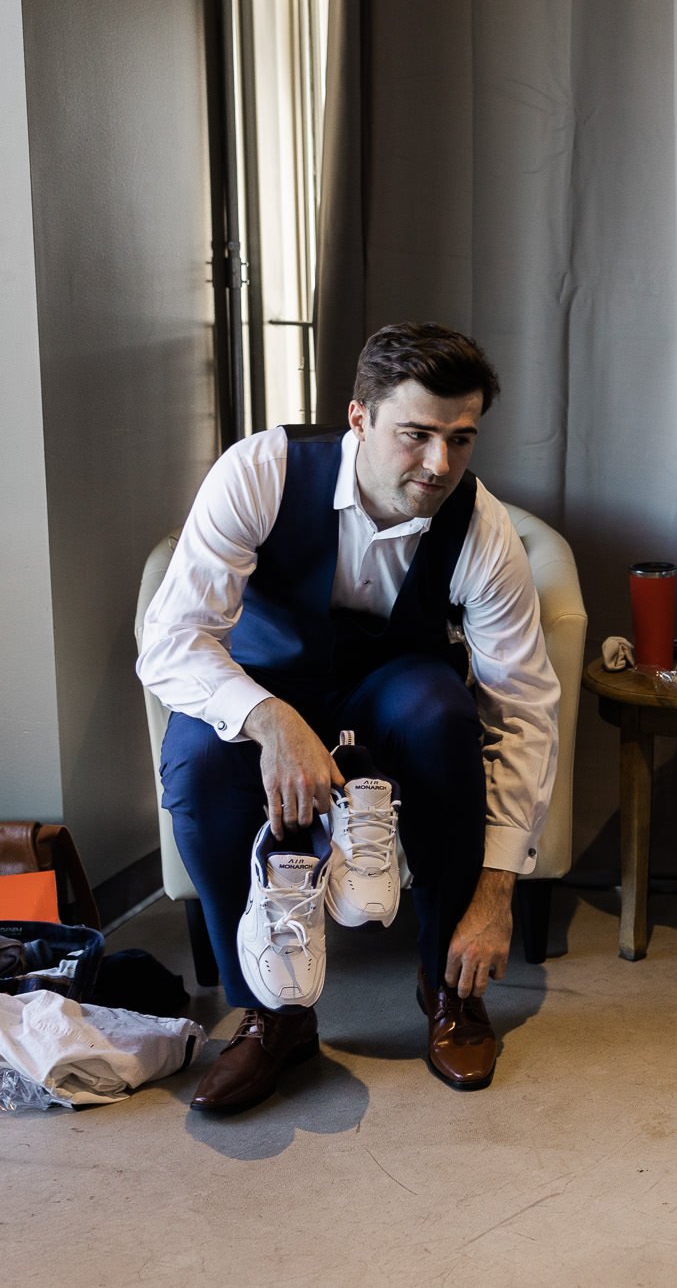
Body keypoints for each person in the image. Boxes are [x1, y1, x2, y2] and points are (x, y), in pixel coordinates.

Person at [138, 322, 560, 1112]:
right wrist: (266, 718)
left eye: (461, 439)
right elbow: (170, 642)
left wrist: (499, 886)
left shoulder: (482, 527)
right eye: (417, 435)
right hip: (262, 681)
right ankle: (274, 1015)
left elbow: (524, 707)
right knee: (192, 760)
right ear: (359, 418)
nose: (440, 464)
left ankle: (449, 988)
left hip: (389, 689)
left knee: (443, 715)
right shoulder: (260, 471)